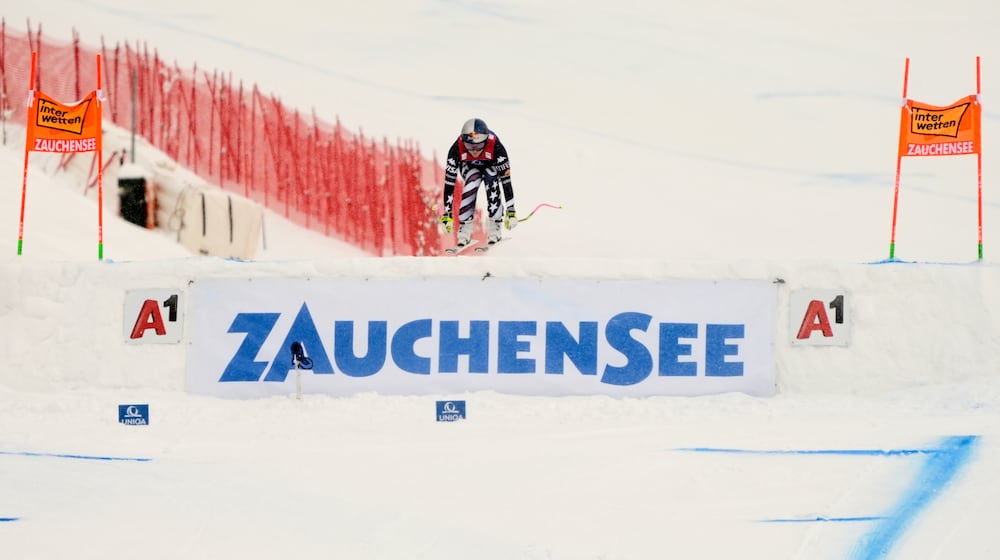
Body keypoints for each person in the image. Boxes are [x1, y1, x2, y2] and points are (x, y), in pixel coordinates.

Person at [439, 118, 517, 247]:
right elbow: (449, 183)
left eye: (479, 145)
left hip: (491, 167)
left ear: (486, 141)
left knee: (491, 176)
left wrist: (511, 210)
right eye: (469, 145)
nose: (474, 150)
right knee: (472, 178)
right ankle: (464, 229)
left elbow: (506, 180)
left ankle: (495, 226)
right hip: (468, 168)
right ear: (463, 141)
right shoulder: (456, 148)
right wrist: (447, 214)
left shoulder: (496, 146)